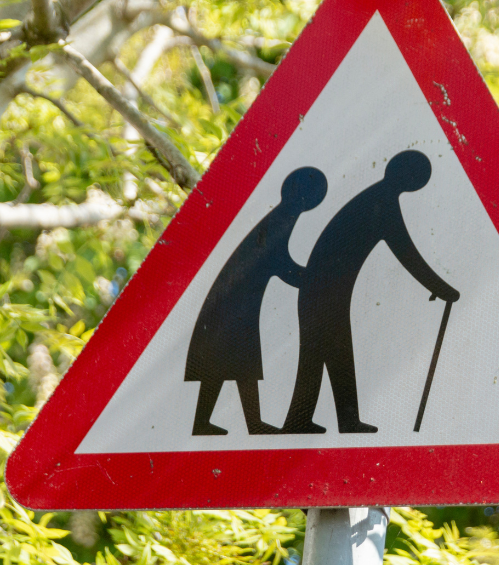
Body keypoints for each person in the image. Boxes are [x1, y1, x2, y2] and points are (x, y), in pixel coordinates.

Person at [282, 150, 459, 434]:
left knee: (325, 354)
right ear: (408, 177)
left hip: (323, 289)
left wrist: (441, 289)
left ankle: (310, 420)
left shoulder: (377, 197)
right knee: (329, 353)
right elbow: (406, 253)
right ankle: (322, 420)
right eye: (418, 176)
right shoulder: (382, 203)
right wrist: (443, 289)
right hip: (324, 291)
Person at [186, 167, 327, 435]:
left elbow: (275, 259)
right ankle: (229, 423)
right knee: (237, 360)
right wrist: (310, 278)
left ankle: (239, 423)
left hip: (237, 299)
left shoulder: (283, 215)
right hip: (235, 301)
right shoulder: (282, 218)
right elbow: (276, 260)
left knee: (236, 361)